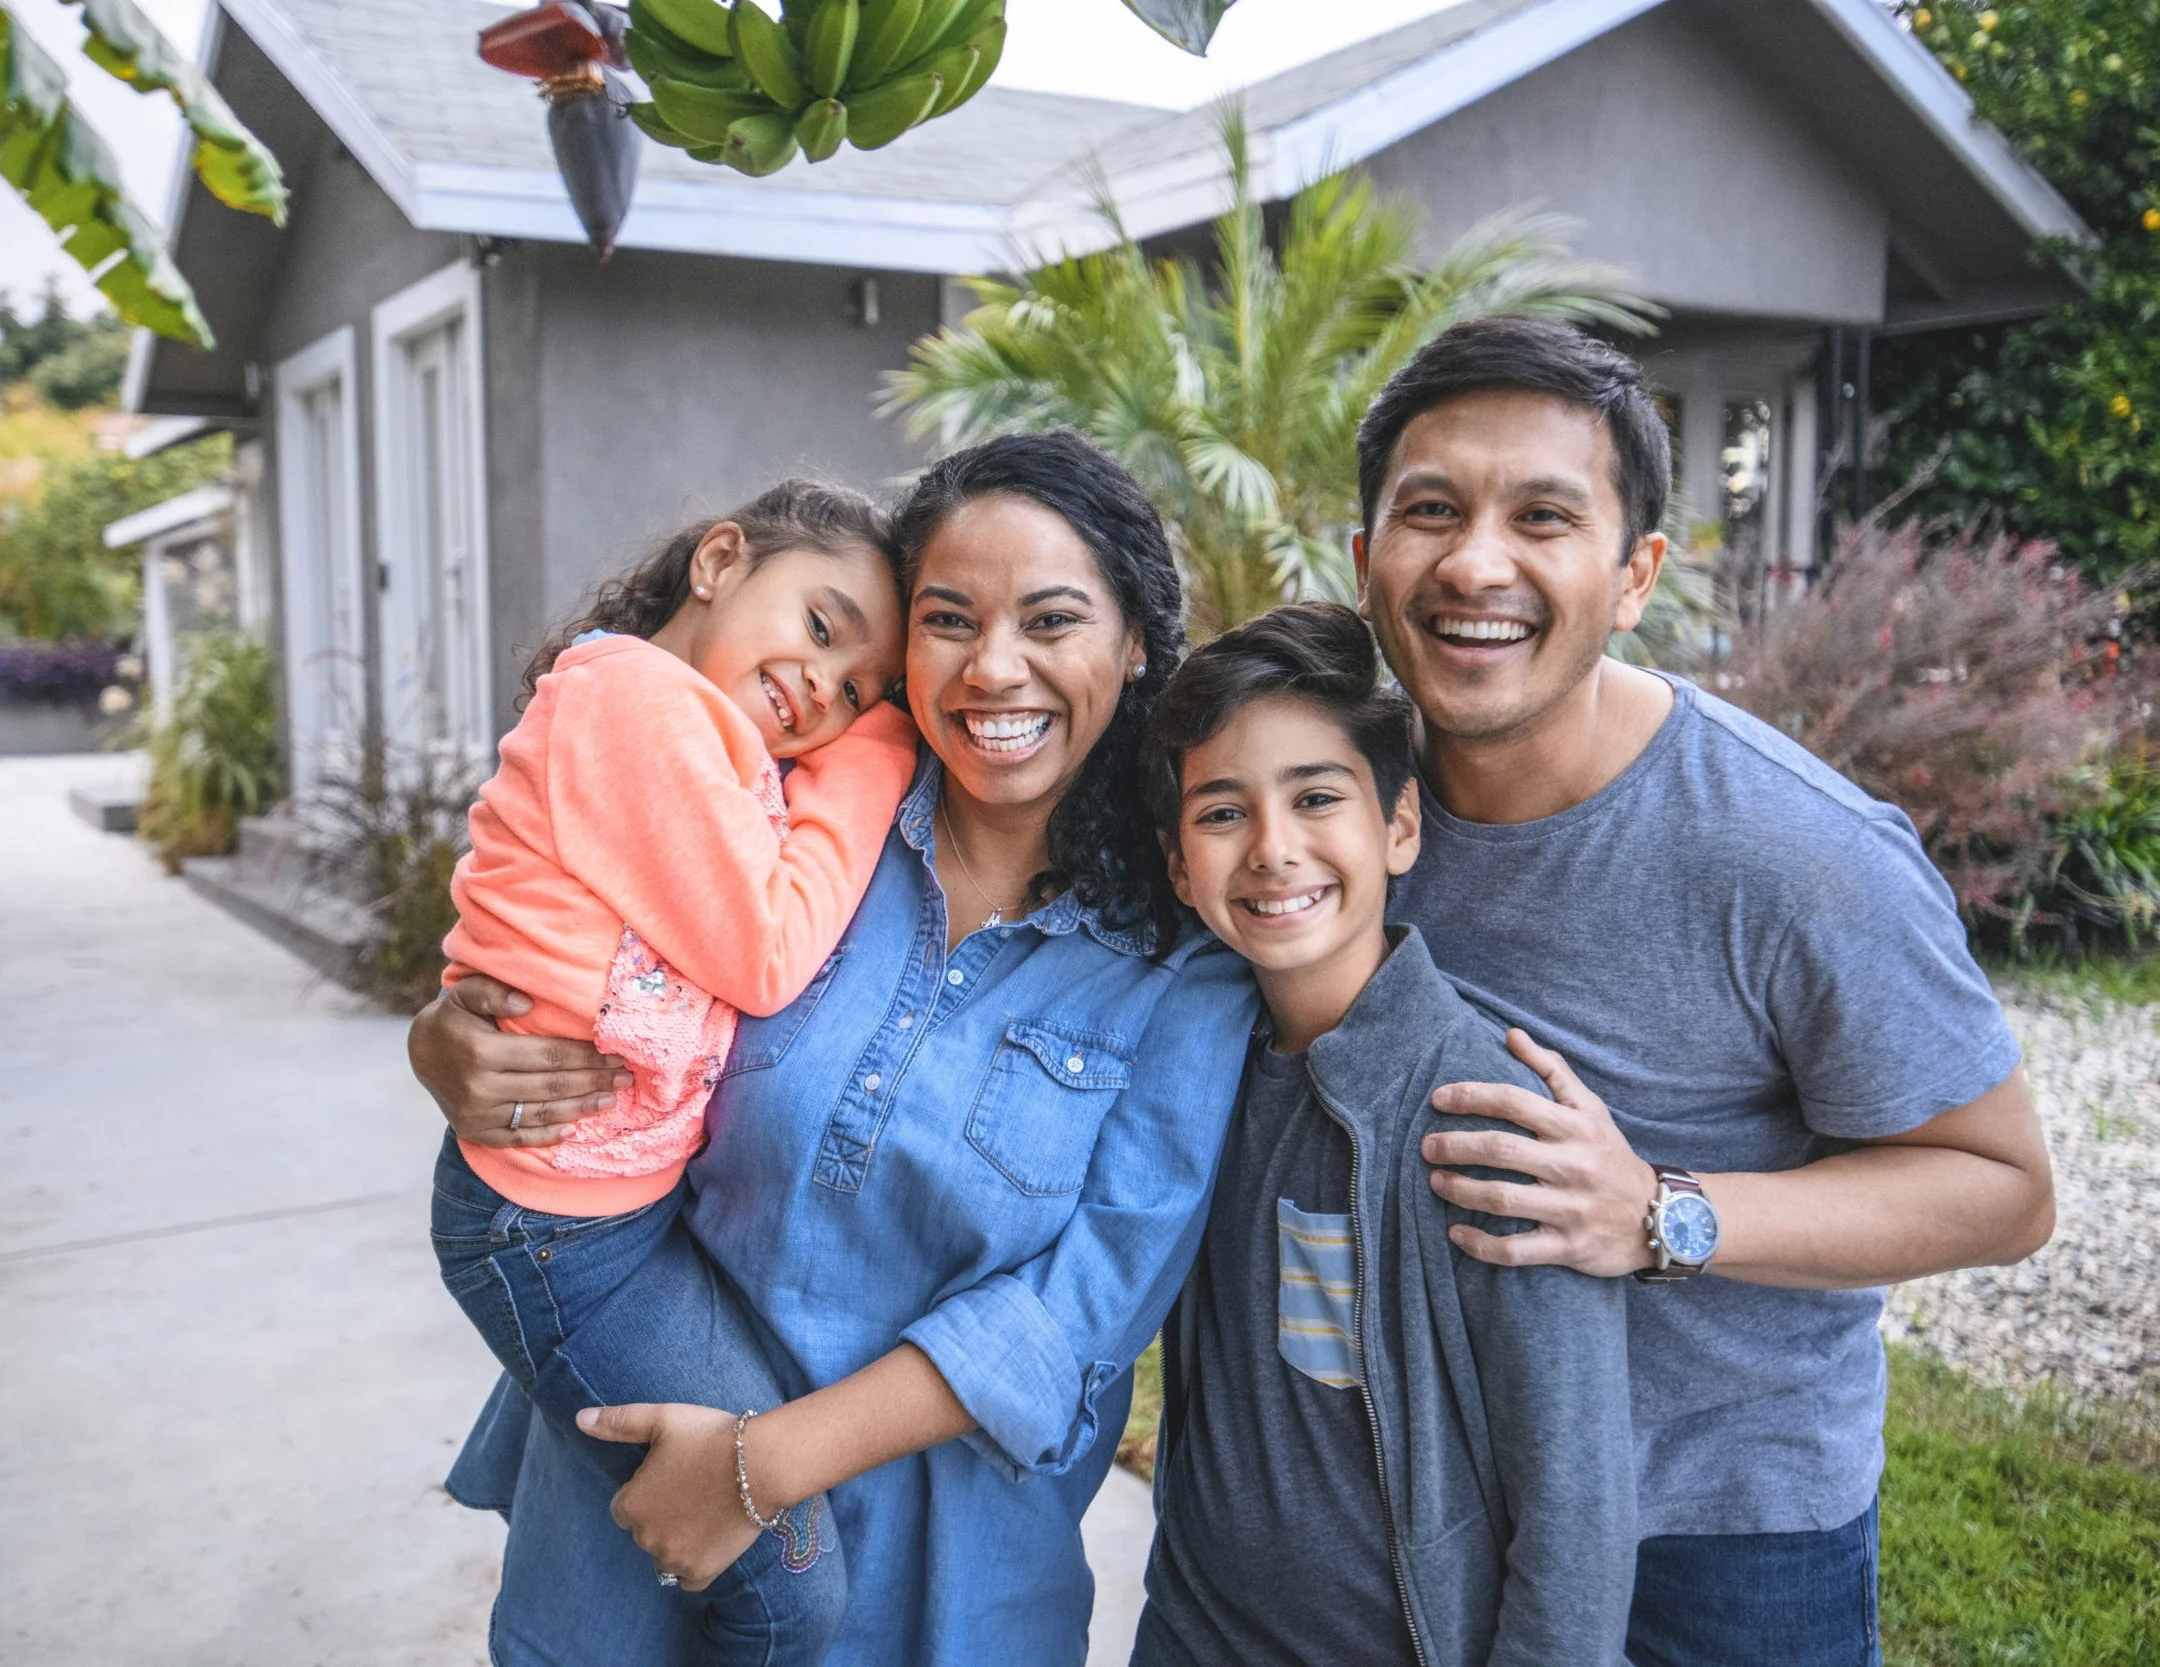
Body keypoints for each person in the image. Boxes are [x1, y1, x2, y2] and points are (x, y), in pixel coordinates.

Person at [409, 430, 1261, 1666]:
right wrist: (453, 1038)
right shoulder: (792, 819)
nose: (995, 667)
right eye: (949, 618)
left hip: (930, 1578)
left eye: (1053, 619)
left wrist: (762, 1466)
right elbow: (561, 940)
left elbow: (1074, 1313)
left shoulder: (1178, 957)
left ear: (1133, 646)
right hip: (626, 1505)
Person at [1351, 316, 2056, 1666]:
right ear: (1364, 558)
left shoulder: (1791, 849)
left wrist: (1661, 1211)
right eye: (1429, 509)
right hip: (1436, 1494)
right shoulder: (1334, 813)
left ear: (1634, 577)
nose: (1475, 561)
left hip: (1721, 1538)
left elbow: (2003, 1185)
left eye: (1542, 515)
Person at [427, 479, 918, 1663]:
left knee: (748, 1568)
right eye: (819, 624)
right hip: (555, 1230)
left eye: (857, 687)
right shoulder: (638, 700)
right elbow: (762, 948)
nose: (826, 690)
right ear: (719, 559)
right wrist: (881, 744)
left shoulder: (709, 737)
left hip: (603, 1217)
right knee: (790, 1582)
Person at [1131, 602, 1634, 1667]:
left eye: (1317, 797)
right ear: (1180, 866)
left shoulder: (1483, 1113)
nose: (1273, 849)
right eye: (1221, 813)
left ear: (1399, 825)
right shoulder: (1192, 1072)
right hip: (1190, 1630)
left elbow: (1577, 1505)